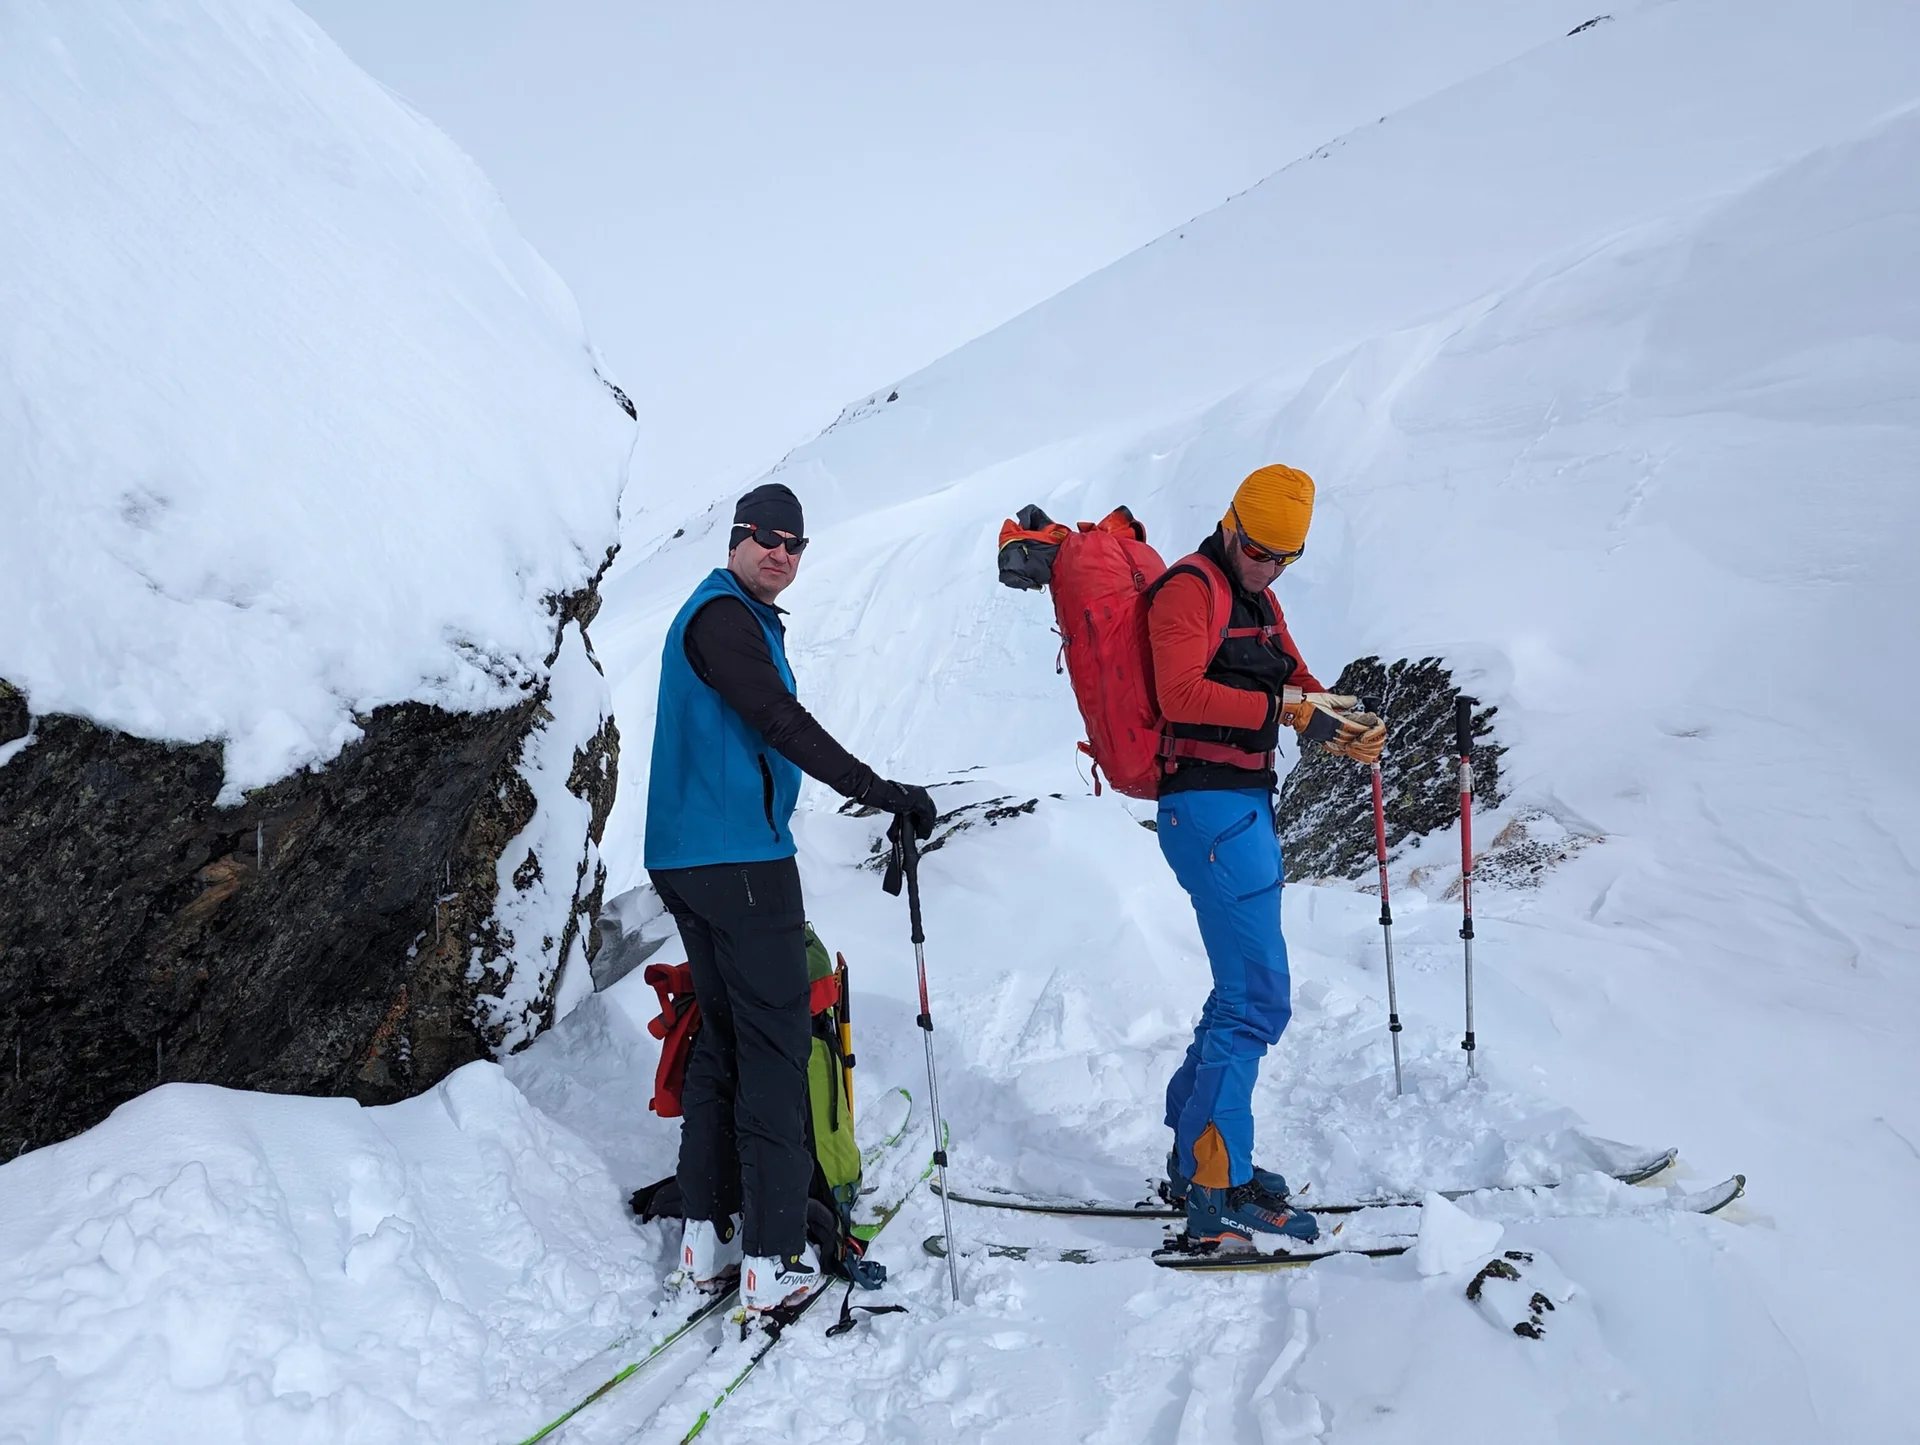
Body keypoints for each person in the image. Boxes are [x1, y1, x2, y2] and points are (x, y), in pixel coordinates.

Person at [644, 482, 937, 1311]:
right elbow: (780, 720)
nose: (780, 552)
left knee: (726, 1043)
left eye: (794, 543)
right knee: (775, 1054)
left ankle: (706, 1240)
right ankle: (771, 1260)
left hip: (690, 861)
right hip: (740, 864)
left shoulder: (720, 614)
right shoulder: (724, 618)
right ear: (736, 539)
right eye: (765, 537)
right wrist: (882, 790)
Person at [1145, 464, 1385, 1248]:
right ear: (1230, 524)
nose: (1269, 568)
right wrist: (1287, 708)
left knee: (1239, 993)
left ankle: (1196, 1156)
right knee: (1257, 1000)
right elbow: (1179, 694)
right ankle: (1215, 1190)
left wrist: (1343, 720)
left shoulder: (1257, 598)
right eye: (1259, 552)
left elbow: (1297, 680)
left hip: (1241, 810)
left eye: (1286, 558)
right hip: (1208, 809)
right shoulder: (1191, 589)